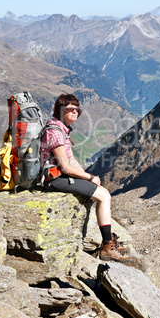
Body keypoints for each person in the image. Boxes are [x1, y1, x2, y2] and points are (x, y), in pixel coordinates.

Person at [40, 93, 131, 263]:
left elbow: (71, 160)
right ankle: (107, 246)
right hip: (54, 179)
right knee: (103, 197)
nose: (75, 112)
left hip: (60, 175)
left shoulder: (62, 129)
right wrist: (89, 176)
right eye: (70, 109)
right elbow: (66, 167)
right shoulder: (55, 132)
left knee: (102, 192)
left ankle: (109, 240)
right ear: (60, 111)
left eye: (77, 109)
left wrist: (87, 178)